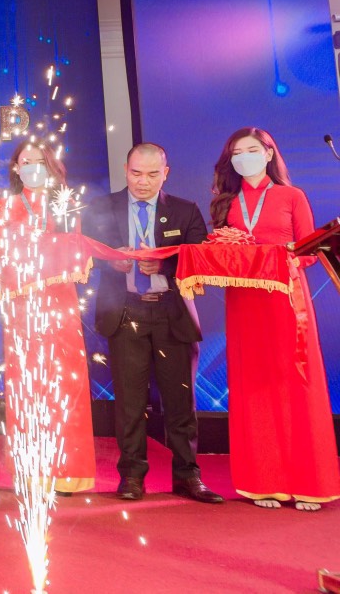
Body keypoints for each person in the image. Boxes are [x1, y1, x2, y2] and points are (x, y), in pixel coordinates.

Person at [83, 143, 222, 503]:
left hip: (171, 314)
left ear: (166, 173)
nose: (143, 181)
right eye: (136, 173)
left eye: (152, 174)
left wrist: (165, 265)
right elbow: (85, 257)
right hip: (125, 313)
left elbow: (200, 260)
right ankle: (132, 476)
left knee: (180, 401)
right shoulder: (101, 208)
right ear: (125, 170)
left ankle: (188, 475)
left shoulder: (185, 210)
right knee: (129, 403)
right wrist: (110, 263)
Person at [211, 127, 340, 511]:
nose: (243, 157)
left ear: (269, 154)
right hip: (244, 302)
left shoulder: (291, 196)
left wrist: (280, 257)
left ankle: (308, 483)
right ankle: (263, 481)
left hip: (286, 299)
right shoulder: (225, 203)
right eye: (236, 152)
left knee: (296, 382)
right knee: (253, 386)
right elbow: (219, 251)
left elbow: (311, 251)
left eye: (251, 150)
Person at [0, 141, 96, 494]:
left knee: (65, 382)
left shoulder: (65, 203)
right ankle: (33, 472)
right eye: (25, 161)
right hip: (21, 308)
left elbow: (76, 247)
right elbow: (4, 249)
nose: (33, 167)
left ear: (51, 165)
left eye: (39, 161)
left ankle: (69, 471)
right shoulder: (4, 205)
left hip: (61, 304)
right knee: (27, 385)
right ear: (16, 168)